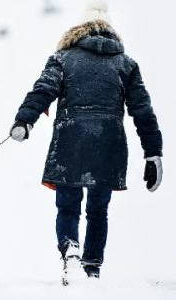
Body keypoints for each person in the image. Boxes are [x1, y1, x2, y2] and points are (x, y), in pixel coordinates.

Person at [10, 0, 163, 279]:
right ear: (110, 30)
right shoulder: (126, 64)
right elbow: (143, 112)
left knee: (68, 205)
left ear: (79, 28)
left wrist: (24, 120)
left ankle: (70, 250)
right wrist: (153, 153)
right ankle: (92, 267)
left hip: (71, 141)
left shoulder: (63, 58)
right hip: (109, 144)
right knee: (98, 210)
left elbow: (43, 90)